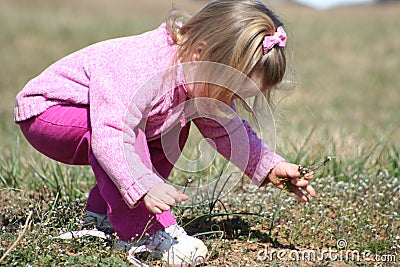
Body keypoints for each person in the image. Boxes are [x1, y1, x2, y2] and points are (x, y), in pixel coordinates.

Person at [14, 0, 316, 265]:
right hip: (50, 113)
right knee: (130, 136)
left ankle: (102, 217)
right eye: (230, 90)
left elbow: (228, 130)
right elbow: (113, 133)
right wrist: (143, 184)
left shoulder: (197, 78)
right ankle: (147, 231)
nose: (230, 102)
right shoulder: (142, 66)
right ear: (200, 53)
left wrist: (270, 165)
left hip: (101, 123)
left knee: (174, 130)